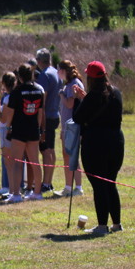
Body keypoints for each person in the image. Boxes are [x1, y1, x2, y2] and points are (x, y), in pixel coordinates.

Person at [72, 61, 125, 234]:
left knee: (99, 185)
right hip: (116, 142)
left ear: (90, 78)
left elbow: (78, 118)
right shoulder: (116, 92)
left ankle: (102, 226)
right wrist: (85, 99)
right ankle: (116, 224)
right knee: (110, 182)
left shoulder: (92, 97)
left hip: (95, 144)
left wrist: (79, 100)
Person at [0, 63, 45, 201]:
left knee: (17, 163)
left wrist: (8, 127)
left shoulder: (16, 92)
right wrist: (38, 129)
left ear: (19, 76)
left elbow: (10, 114)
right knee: (35, 162)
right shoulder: (39, 91)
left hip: (19, 130)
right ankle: (37, 193)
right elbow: (40, 113)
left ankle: (16, 194)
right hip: (33, 130)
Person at [56, 60, 84, 197]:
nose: (57, 73)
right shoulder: (68, 84)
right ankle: (68, 187)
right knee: (66, 156)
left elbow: (69, 104)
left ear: (64, 71)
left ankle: (78, 187)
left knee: (72, 157)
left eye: (58, 70)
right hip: (66, 127)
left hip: (73, 126)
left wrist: (61, 94)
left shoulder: (74, 84)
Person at [35, 48, 61, 192]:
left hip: (47, 116)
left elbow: (42, 99)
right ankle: (48, 181)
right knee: (51, 149)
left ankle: (46, 183)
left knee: (45, 150)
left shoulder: (44, 75)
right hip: (55, 114)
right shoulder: (56, 72)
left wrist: (40, 120)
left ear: (39, 61)